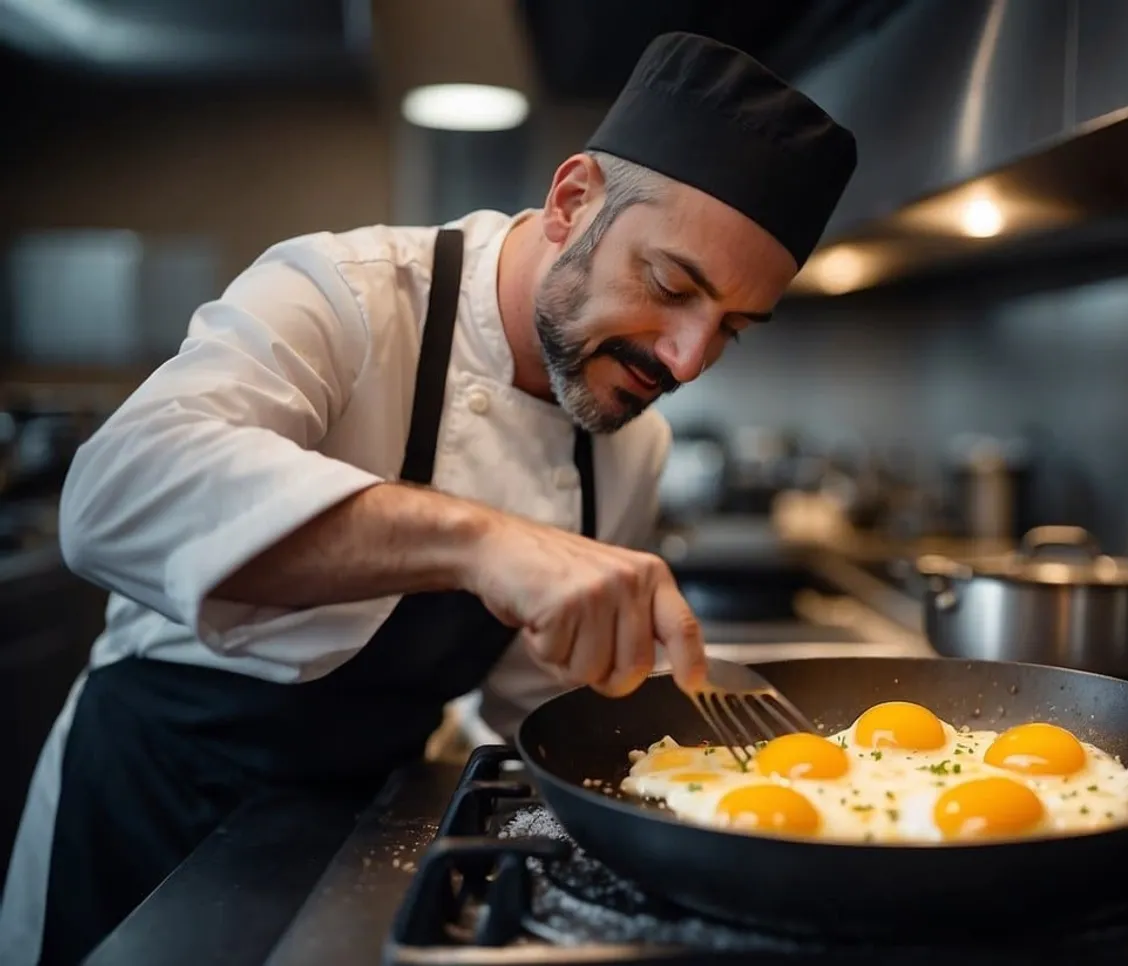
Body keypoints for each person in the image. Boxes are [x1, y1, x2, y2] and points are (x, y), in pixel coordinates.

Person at [0, 29, 857, 966]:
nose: (687, 360)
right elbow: (113, 497)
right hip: (144, 817)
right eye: (669, 284)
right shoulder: (345, 296)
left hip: (361, 834)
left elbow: (534, 709)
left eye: (731, 327)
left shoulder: (628, 440)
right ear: (572, 201)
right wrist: (479, 542)